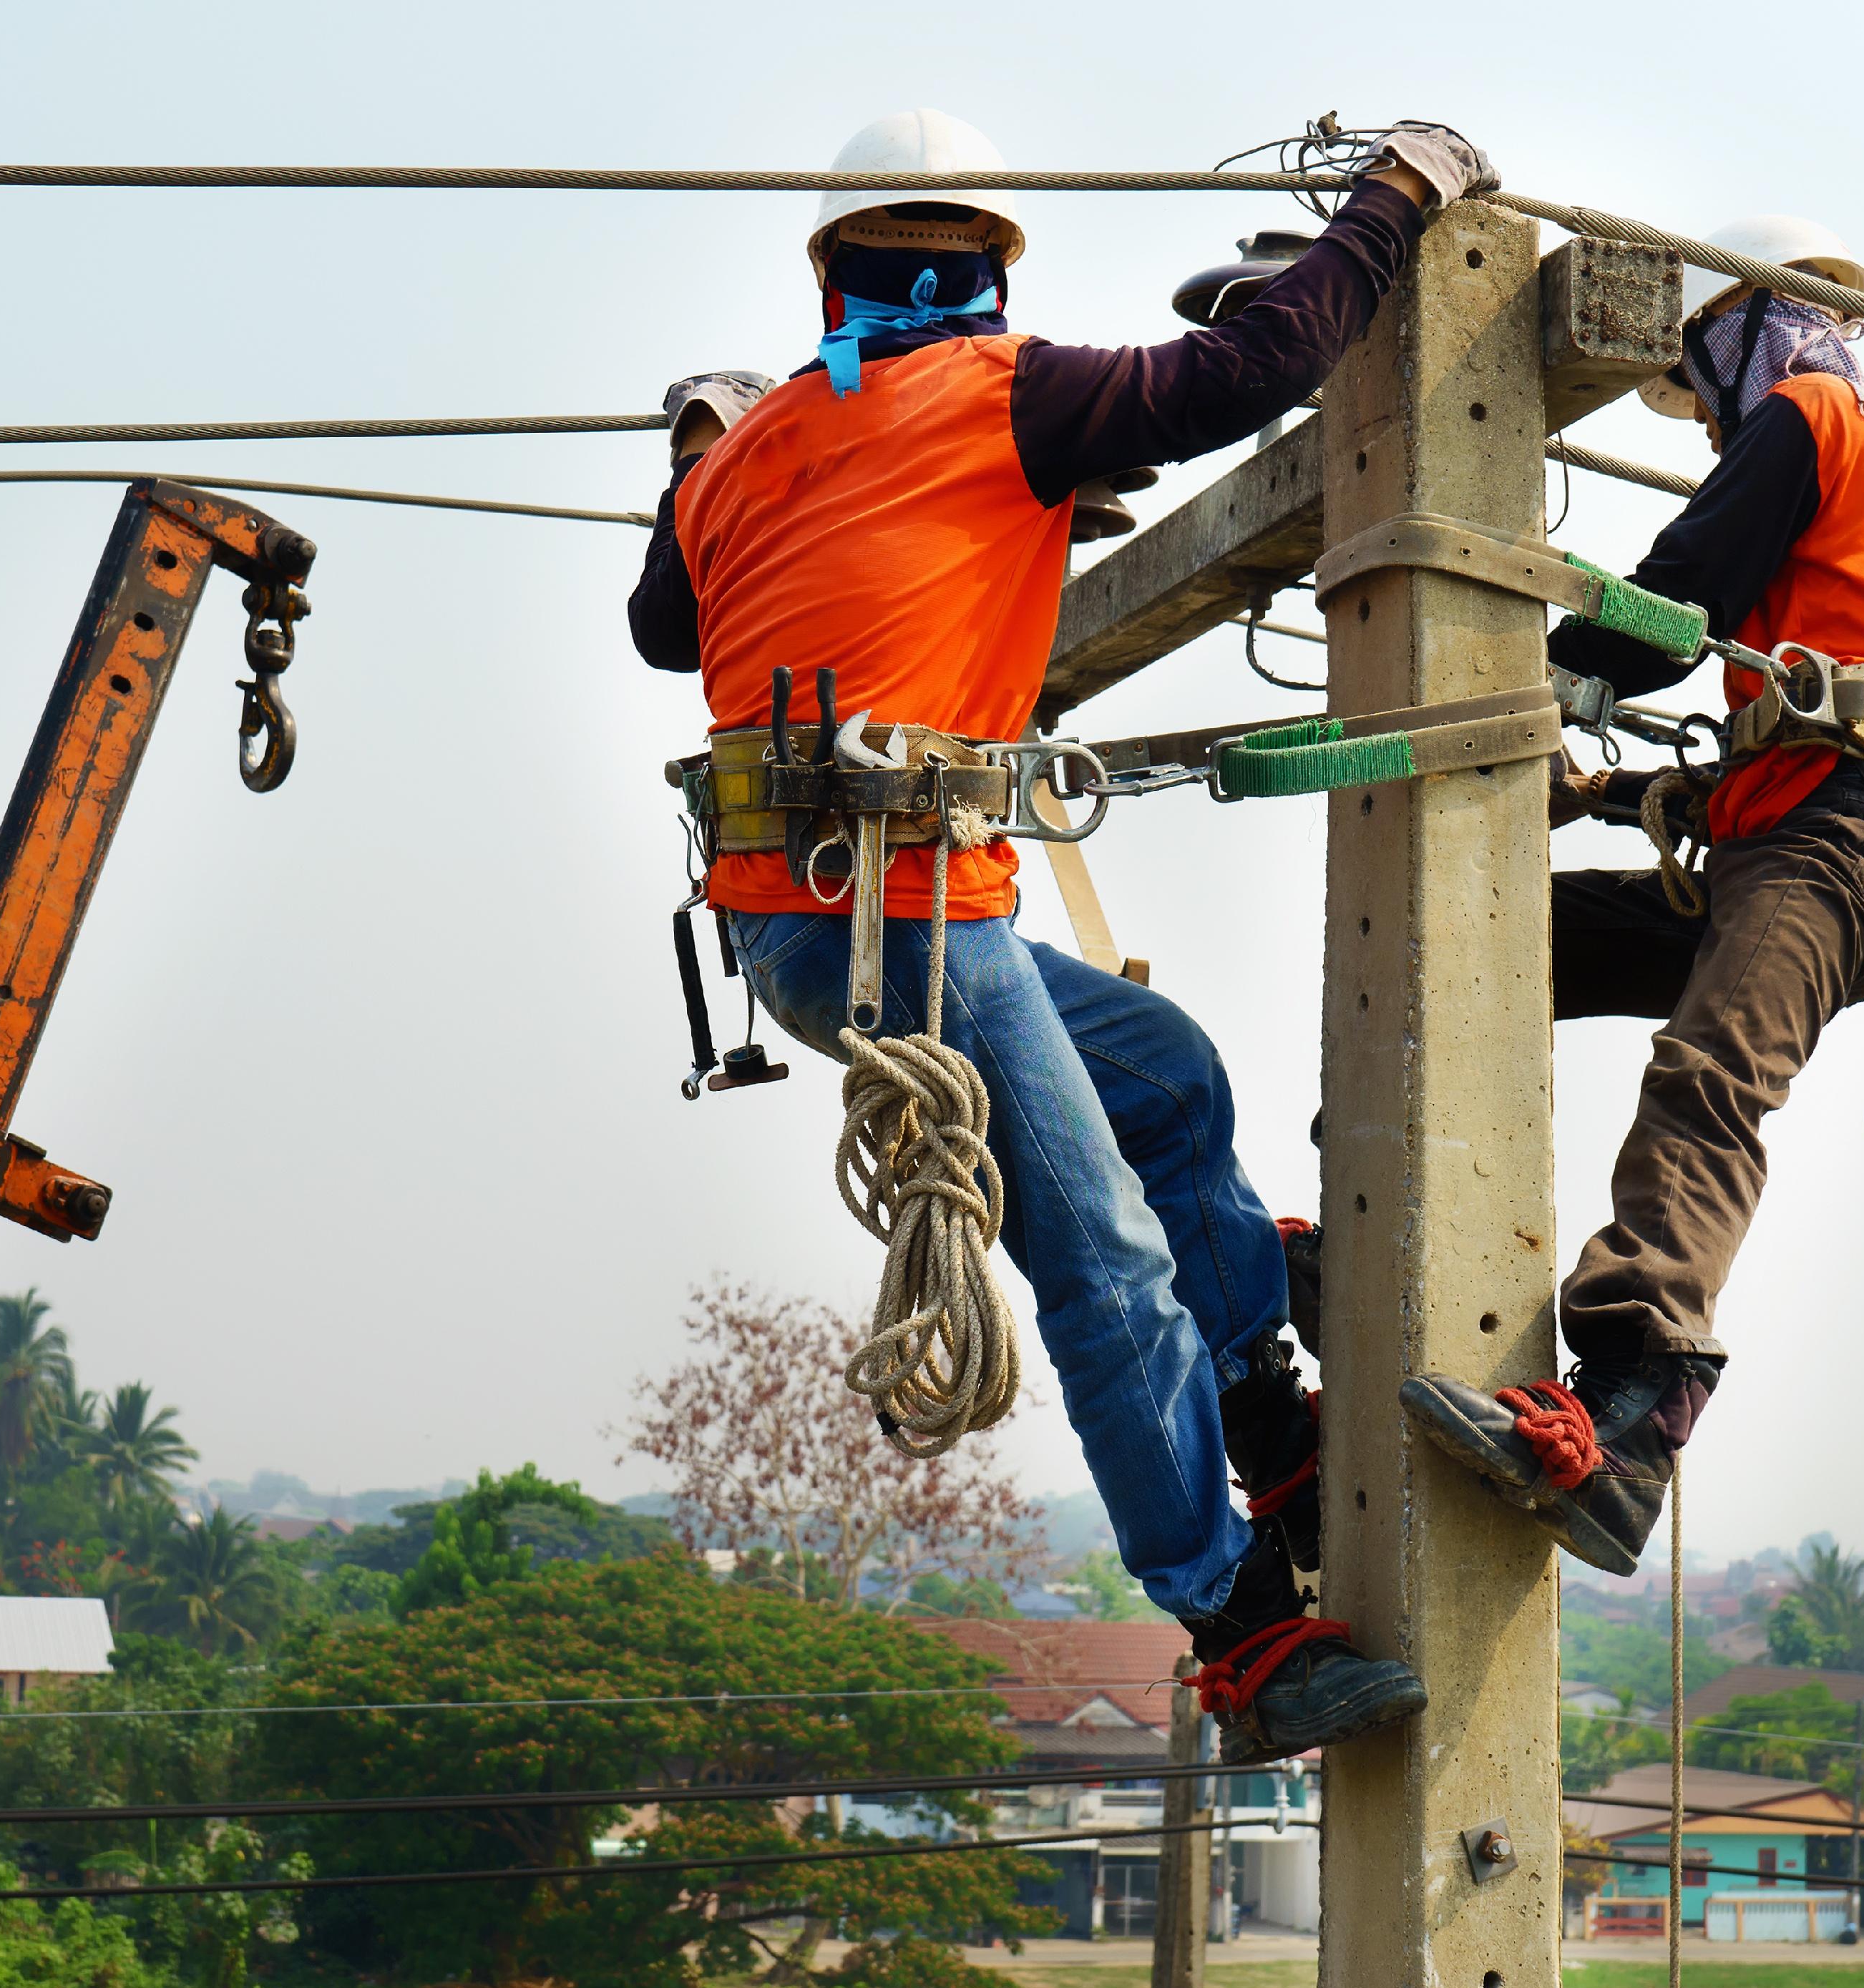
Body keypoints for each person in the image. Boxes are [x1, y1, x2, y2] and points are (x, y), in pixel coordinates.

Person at [628, 108, 1497, 1758]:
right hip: (905, 921)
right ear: (987, 266)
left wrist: (696, 452)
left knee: (1164, 1076)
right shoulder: (1003, 392)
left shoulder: (753, 457)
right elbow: (1256, 365)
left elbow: (662, 625)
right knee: (1101, 1261)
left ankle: (1257, 1412)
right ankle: (1237, 1629)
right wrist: (1390, 205)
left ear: (830, 270)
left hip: (810, 928)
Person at [1402, 218, 1864, 1575]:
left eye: (1695, 384)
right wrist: (1597, 795)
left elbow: (1680, 596)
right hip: (1798, 832)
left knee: (1708, 1076)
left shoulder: (1812, 419)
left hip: (1840, 843)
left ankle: (1640, 1406)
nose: (1703, 425)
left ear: (1730, 328)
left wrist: (1548, 674)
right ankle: (1370, 1233)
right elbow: (1767, 731)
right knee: (1500, 940)